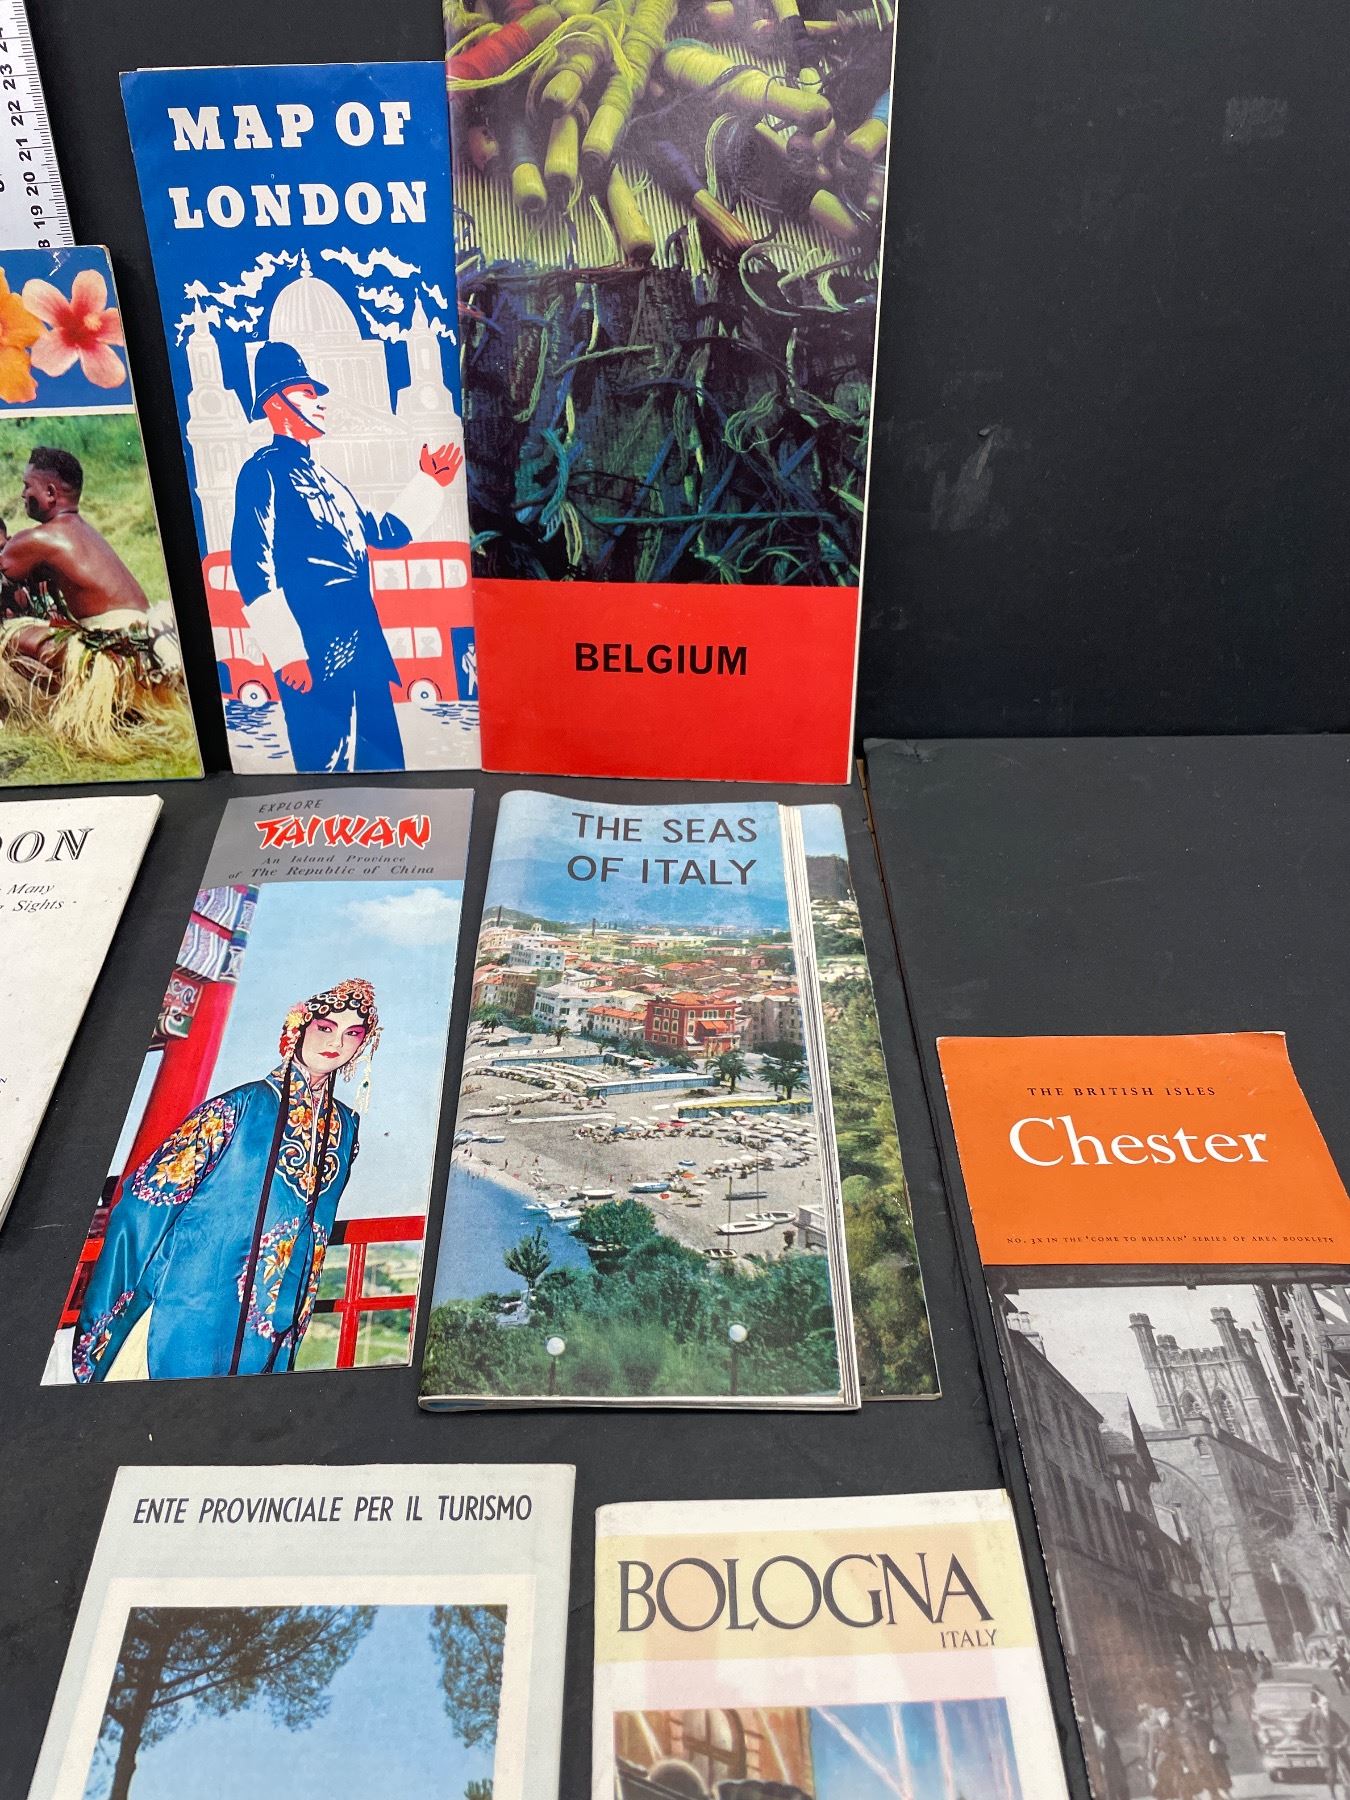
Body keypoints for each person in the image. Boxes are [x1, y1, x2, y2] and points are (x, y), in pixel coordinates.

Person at [72, 979, 379, 1382]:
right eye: (325, 1027)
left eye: (352, 1033)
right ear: (299, 1028)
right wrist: (143, 1281)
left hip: (279, 1304)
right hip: (192, 1290)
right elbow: (146, 1201)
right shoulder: (236, 1107)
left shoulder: (345, 1128)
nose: (336, 1042)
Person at [230, 340, 464, 773]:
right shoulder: (261, 472)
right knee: (327, 767)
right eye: (307, 393)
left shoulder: (332, 482)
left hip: (365, 647)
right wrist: (287, 652)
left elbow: (385, 534)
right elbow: (252, 566)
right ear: (276, 403)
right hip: (313, 651)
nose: (320, 402)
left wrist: (429, 483)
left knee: (386, 761)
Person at [0, 446, 180, 753]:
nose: (22, 494)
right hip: (139, 652)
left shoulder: (38, 538)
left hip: (112, 656)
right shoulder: (85, 532)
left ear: (50, 493)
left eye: (27, 486)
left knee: (9, 634)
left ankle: (85, 706)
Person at [1306, 1688, 1349, 1797]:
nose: (1326, 1706)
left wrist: (1344, 1741)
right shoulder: (1316, 1714)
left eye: (1328, 1703)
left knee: (1348, 1763)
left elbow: (1346, 1728)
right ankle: (1332, 1792)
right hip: (1326, 1746)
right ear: (1320, 1705)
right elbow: (1312, 1731)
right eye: (1324, 1704)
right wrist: (1320, 1743)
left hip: (1338, 1744)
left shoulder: (1334, 1714)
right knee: (1331, 1770)